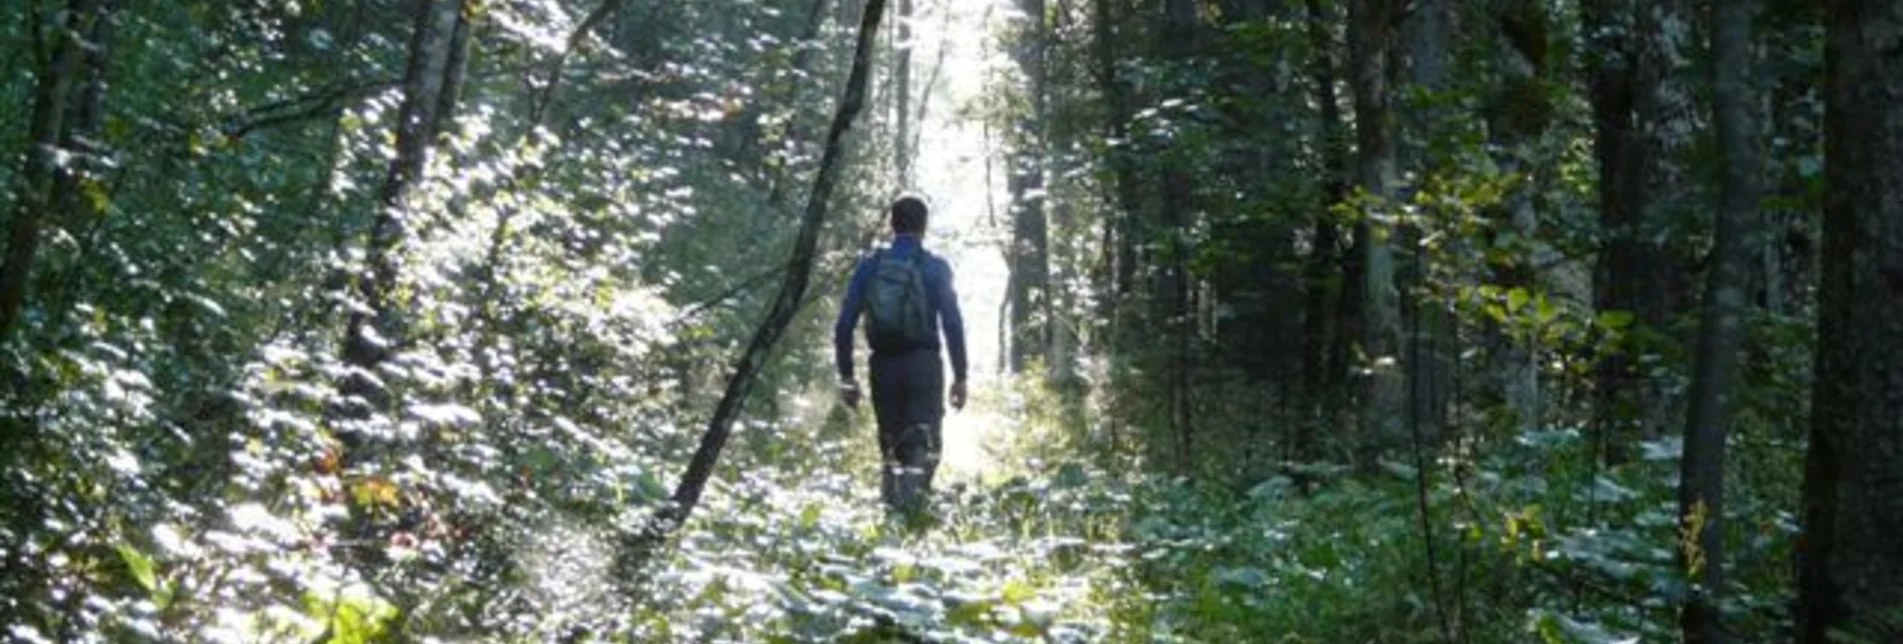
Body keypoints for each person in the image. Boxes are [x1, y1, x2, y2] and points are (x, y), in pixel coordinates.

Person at [834, 194, 968, 516]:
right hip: (924, 366)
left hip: (883, 366)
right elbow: (952, 322)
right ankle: (914, 514)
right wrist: (961, 376)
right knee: (924, 440)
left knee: (892, 444)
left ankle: (892, 515)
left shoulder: (870, 267)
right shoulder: (935, 267)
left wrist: (847, 376)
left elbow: (844, 324)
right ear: (924, 226)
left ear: (892, 224)